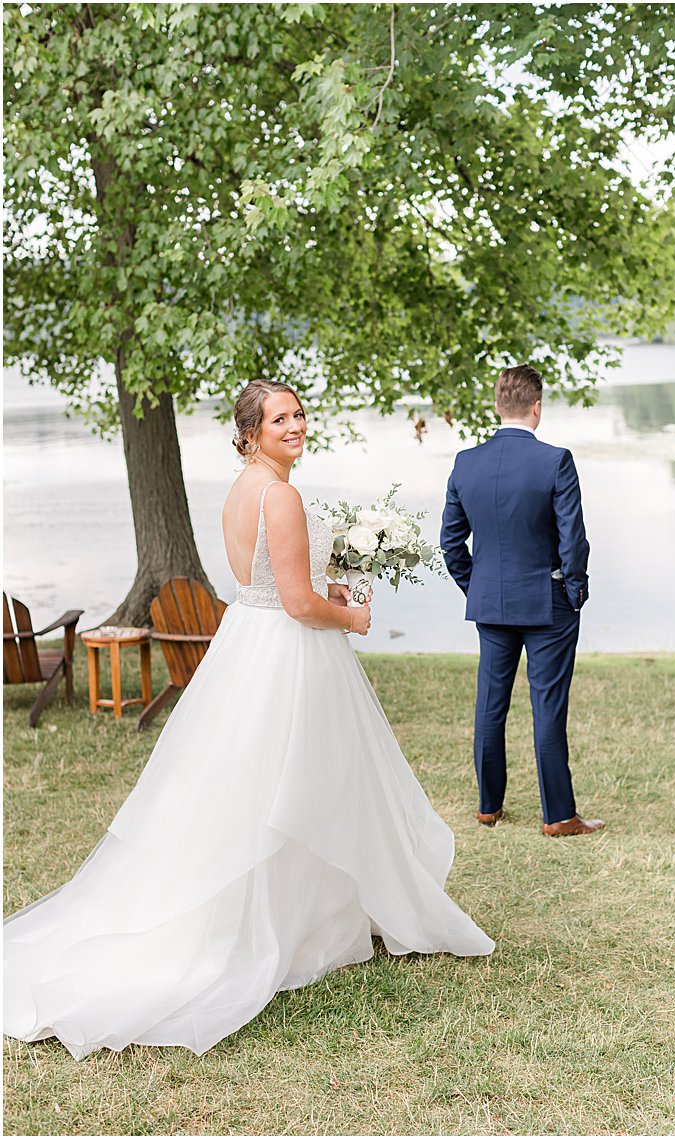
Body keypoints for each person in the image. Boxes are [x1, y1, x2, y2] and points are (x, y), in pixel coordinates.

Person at [3, 380, 495, 1060]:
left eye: (298, 413)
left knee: (265, 786)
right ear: (250, 431)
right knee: (299, 785)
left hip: (248, 644)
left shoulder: (242, 489)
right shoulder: (282, 495)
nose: (295, 424)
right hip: (289, 653)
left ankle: (311, 913)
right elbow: (295, 601)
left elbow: (265, 583)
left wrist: (335, 584)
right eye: (279, 418)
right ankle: (283, 925)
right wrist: (350, 614)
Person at [441, 365, 601, 837]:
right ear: (536, 408)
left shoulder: (465, 462)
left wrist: (477, 586)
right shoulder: (555, 461)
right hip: (548, 604)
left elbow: (451, 543)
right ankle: (558, 816)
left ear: (497, 406)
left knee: (490, 706)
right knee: (547, 707)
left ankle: (488, 807)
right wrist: (574, 592)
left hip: (491, 604)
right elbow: (573, 537)